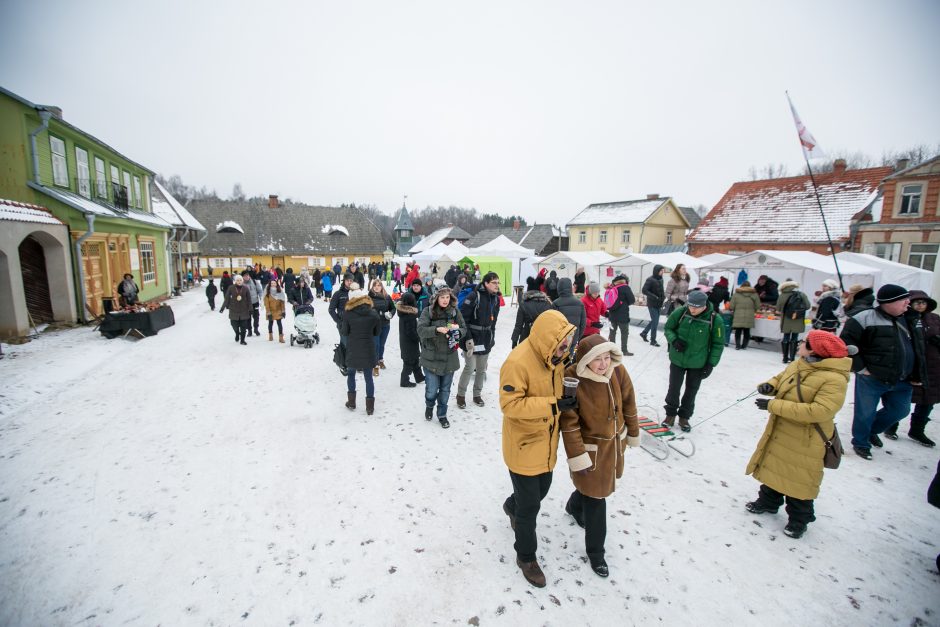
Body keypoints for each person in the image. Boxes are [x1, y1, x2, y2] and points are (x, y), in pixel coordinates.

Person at [745, 330, 852, 539]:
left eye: (804, 342)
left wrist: (774, 405)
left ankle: (799, 519)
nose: (799, 344)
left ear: (816, 349)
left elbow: (820, 411)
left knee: (800, 478)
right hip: (783, 431)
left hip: (807, 437)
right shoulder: (800, 363)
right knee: (774, 466)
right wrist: (770, 386)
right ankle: (768, 502)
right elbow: (781, 378)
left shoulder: (834, 379)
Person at [499, 310, 577, 588]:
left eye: (568, 342)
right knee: (530, 506)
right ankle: (526, 557)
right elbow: (509, 405)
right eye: (562, 342)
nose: (565, 348)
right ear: (547, 339)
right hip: (523, 446)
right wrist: (553, 405)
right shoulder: (517, 362)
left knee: (541, 489)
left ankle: (511, 505)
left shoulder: (553, 358)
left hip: (545, 445)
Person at [559, 334, 640, 577]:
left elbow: (629, 403)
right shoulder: (572, 378)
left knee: (591, 489)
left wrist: (632, 433)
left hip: (613, 446)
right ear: (585, 360)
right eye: (597, 359)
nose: (604, 364)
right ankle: (597, 553)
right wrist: (578, 455)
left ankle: (574, 506)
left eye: (607, 358)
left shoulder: (618, 372)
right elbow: (569, 421)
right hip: (590, 449)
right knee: (597, 499)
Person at [839, 284, 926, 460]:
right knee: (865, 413)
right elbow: (846, 346)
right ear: (889, 302)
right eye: (904, 299)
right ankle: (861, 443)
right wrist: (861, 368)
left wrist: (917, 373)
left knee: (900, 410)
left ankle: (871, 431)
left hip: (903, 379)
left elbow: (918, 348)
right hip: (872, 377)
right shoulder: (864, 318)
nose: (908, 303)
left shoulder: (910, 319)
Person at [662, 290, 725, 432]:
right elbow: (668, 328)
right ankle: (670, 415)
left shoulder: (715, 319)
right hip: (678, 359)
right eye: (691, 306)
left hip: (698, 362)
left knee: (691, 391)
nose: (692, 309)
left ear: (704, 306)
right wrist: (674, 340)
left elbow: (718, 344)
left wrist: (711, 364)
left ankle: (684, 417)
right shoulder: (681, 312)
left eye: (696, 307)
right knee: (674, 388)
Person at [883, 290, 937, 447]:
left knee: (928, 400)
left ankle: (917, 430)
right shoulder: (903, 319)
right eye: (917, 302)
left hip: (932, 368)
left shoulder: (935, 319)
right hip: (911, 366)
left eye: (923, 302)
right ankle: (891, 426)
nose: (920, 305)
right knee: (901, 399)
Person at [417, 287, 467, 428]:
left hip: (449, 358)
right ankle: (429, 405)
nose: (445, 300)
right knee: (432, 389)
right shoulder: (428, 311)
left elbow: (464, 328)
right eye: (442, 297)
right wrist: (436, 330)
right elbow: (420, 330)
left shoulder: (454, 312)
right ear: (437, 298)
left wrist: (457, 331)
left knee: (445, 390)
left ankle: (442, 415)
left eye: (447, 297)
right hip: (431, 358)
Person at [456, 272, 501, 409]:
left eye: (498, 282)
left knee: (481, 369)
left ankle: (477, 394)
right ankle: (461, 395)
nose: (497, 285)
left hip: (486, 338)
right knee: (470, 367)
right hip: (471, 338)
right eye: (494, 282)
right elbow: (463, 319)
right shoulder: (474, 296)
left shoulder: (496, 299)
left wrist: (492, 337)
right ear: (486, 283)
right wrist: (468, 338)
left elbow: (494, 321)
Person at [340, 283, 381, 415]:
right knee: (368, 377)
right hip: (368, 348)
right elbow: (377, 332)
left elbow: (344, 332)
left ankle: (351, 402)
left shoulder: (348, 314)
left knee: (351, 374)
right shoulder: (373, 313)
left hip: (353, 348)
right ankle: (370, 407)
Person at [776, 280, 810, 364]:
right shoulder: (801, 294)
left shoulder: (782, 296)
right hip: (798, 319)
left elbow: (778, 309)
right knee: (795, 338)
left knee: (786, 337)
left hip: (786, 319)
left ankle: (784, 357)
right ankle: (792, 358)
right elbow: (808, 306)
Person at [512, 278, 553, 347]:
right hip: (542, 339)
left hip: (526, 338)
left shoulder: (523, 304)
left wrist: (514, 340)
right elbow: (550, 324)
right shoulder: (548, 303)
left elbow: (518, 325)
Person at [552, 278, 586, 355]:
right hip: (573, 337)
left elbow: (552, 323)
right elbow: (583, 323)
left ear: (559, 288)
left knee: (558, 361)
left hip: (559, 339)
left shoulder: (555, 303)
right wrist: (577, 336)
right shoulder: (579, 303)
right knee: (568, 359)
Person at [396, 291, 424, 387]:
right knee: (409, 362)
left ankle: (419, 376)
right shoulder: (409, 315)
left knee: (415, 360)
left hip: (406, 342)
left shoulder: (403, 313)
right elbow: (410, 331)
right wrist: (418, 338)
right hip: (409, 343)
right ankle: (404, 380)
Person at [329, 273, 355, 373]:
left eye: (351, 280)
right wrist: (339, 322)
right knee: (345, 343)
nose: (349, 282)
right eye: (348, 280)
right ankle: (344, 364)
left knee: (354, 344)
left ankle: (354, 363)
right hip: (343, 324)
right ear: (344, 281)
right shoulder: (338, 294)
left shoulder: (356, 293)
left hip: (355, 324)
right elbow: (331, 310)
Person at [369, 278, 396, 375]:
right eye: (375, 285)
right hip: (374, 326)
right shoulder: (369, 297)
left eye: (378, 285)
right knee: (375, 345)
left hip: (385, 325)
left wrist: (391, 314)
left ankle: (380, 359)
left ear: (381, 287)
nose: (377, 287)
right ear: (372, 287)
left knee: (381, 344)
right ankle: (375, 365)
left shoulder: (387, 297)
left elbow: (393, 308)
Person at [605, 275, 635, 357]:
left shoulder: (611, 288)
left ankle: (612, 350)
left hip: (612, 314)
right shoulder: (625, 288)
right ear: (623, 281)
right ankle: (624, 350)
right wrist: (624, 303)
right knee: (624, 333)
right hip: (623, 315)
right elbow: (632, 300)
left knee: (612, 332)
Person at [219, 274, 252, 345]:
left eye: (240, 280)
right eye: (237, 280)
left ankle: (242, 340)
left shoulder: (246, 288)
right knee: (234, 325)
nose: (239, 281)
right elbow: (227, 298)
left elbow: (249, 299)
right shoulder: (231, 288)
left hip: (244, 310)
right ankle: (237, 333)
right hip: (234, 310)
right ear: (235, 281)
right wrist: (222, 308)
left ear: (242, 281)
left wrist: (251, 309)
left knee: (243, 327)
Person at [729, 280, 760, 350]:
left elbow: (731, 306)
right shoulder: (754, 294)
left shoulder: (736, 294)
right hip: (749, 315)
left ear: (741, 286)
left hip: (738, 315)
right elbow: (758, 306)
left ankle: (737, 345)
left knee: (738, 331)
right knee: (747, 331)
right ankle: (744, 345)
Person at [640, 265, 665, 347]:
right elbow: (644, 290)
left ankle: (644, 333)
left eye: (663, 271)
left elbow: (661, 290)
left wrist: (663, 298)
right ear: (656, 271)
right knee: (655, 321)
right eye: (661, 271)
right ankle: (653, 340)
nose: (663, 272)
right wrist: (654, 297)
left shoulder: (661, 279)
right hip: (652, 303)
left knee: (655, 320)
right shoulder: (650, 279)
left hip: (659, 303)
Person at [263, 278, 288, 343]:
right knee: (270, 323)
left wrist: (283, 311)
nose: (273, 284)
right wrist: (268, 312)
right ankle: (270, 335)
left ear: (276, 284)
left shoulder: (280, 291)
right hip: (271, 310)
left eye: (274, 283)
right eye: (272, 283)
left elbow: (282, 302)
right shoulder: (267, 293)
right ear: (270, 284)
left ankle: (281, 337)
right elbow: (266, 304)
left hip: (278, 310)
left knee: (279, 323)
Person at [242, 271, 262, 337]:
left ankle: (256, 329)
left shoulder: (254, 281)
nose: (246, 277)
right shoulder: (241, 283)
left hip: (255, 302)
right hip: (246, 304)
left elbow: (260, 291)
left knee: (256, 317)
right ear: (243, 277)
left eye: (247, 275)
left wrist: (261, 298)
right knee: (248, 317)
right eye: (245, 276)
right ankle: (249, 330)